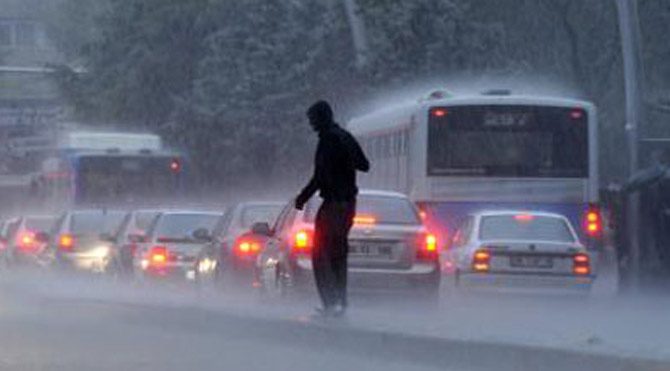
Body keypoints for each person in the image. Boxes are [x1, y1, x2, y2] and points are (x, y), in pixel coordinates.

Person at [295, 100, 369, 317]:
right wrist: (346, 164)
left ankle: (331, 302)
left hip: (334, 204)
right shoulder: (345, 137)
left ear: (321, 117)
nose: (311, 125)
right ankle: (341, 300)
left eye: (312, 120)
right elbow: (364, 164)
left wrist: (302, 197)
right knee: (338, 253)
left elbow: (320, 176)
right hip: (349, 204)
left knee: (321, 254)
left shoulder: (328, 140)